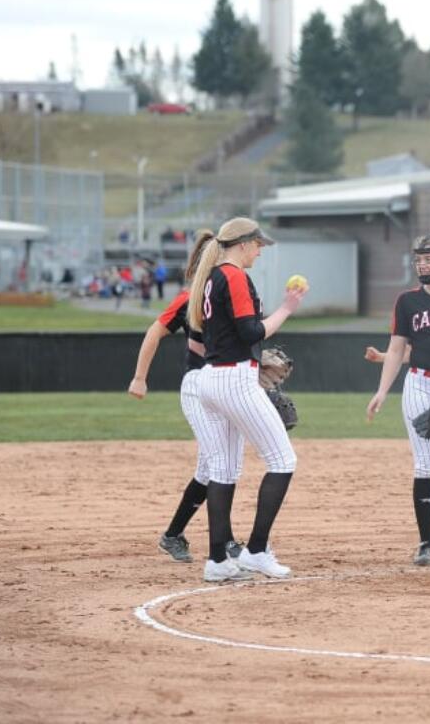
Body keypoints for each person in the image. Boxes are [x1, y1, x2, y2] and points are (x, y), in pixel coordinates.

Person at [187, 217, 308, 583]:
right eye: (257, 245)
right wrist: (287, 308)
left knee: (222, 470)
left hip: (210, 379)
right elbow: (251, 330)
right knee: (283, 459)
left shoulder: (210, 277)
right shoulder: (235, 276)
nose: (259, 252)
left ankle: (218, 561)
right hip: (235, 380)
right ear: (242, 244)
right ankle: (256, 551)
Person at [128, 231, 243, 564]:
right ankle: (226, 542)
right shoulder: (191, 296)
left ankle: (174, 535)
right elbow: (155, 330)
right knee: (219, 462)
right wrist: (139, 377)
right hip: (197, 385)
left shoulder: (231, 294)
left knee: (212, 467)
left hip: (222, 386)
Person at [365, 233, 430, 566]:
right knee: (425, 465)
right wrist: (382, 390)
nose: (421, 264)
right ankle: (425, 542)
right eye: (418, 259)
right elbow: (398, 349)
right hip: (420, 385)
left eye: (428, 259)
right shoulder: (408, 301)